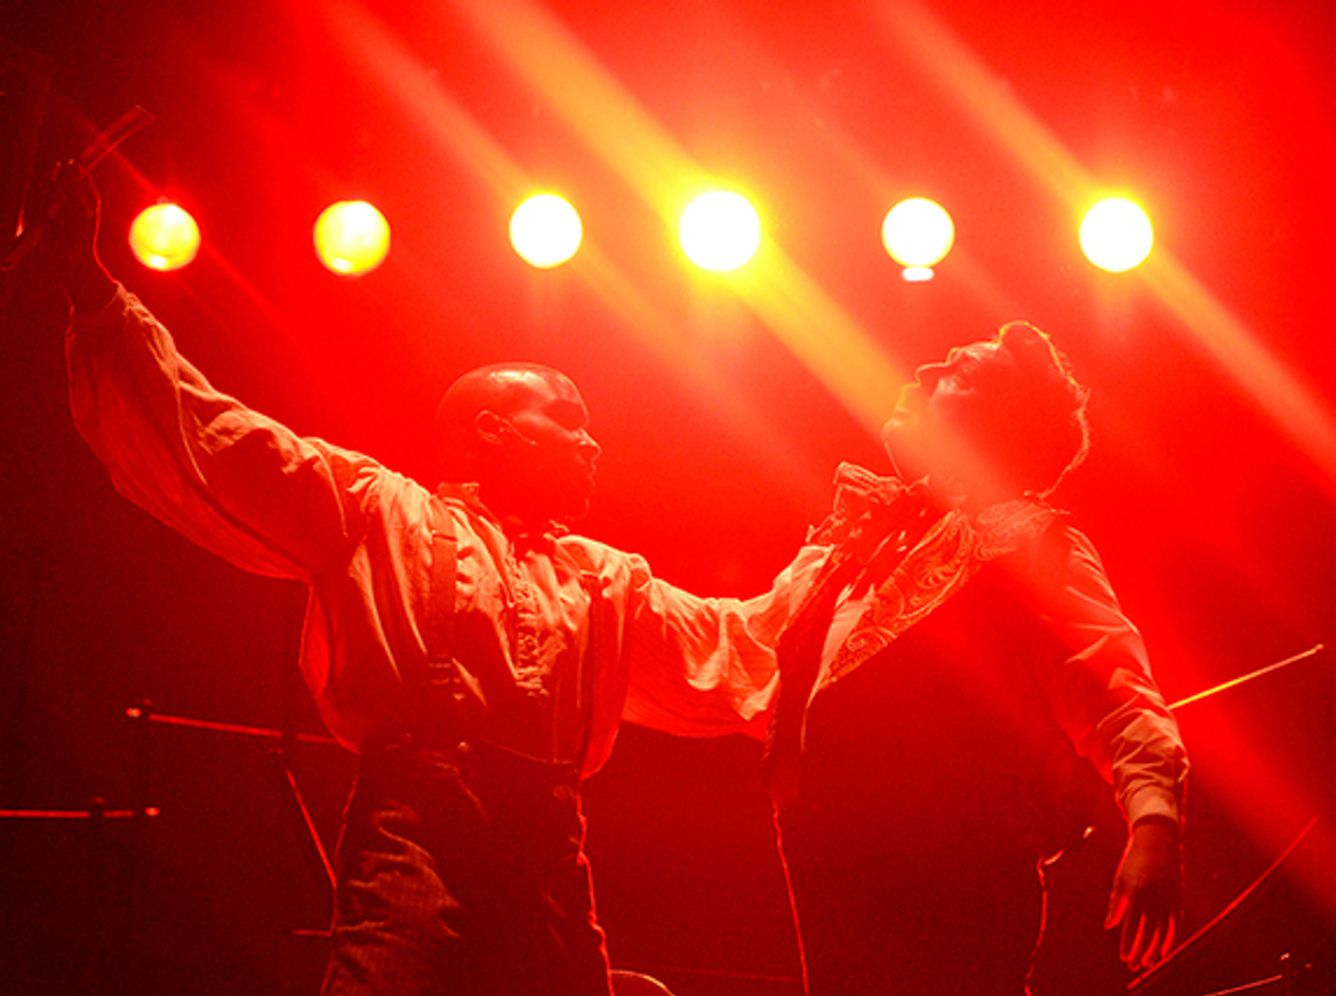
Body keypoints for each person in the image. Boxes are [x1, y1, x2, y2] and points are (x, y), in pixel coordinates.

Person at [44, 166, 820, 996]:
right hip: (415, 828)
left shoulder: (600, 578)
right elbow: (220, 437)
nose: (591, 445)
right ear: (492, 431)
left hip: (549, 843)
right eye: (566, 421)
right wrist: (94, 292)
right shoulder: (377, 510)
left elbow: (735, 644)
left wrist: (868, 552)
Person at [629, 323, 1189, 995]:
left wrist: (1154, 823)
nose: (922, 369)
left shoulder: (1028, 542)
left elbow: (1114, 685)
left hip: (956, 881)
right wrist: (589, 586)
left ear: (1004, 425)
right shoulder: (848, 556)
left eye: (959, 373)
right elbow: (737, 645)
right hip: (827, 877)